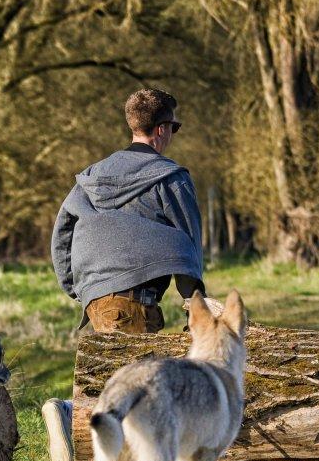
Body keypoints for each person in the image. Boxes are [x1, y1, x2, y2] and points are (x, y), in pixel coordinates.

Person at [51, 88, 204, 333]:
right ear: (162, 129)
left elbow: (62, 236)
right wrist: (197, 308)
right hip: (136, 304)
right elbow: (188, 245)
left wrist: (80, 289)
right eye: (174, 128)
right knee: (141, 372)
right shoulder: (170, 178)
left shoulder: (92, 176)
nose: (173, 135)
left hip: (97, 303)